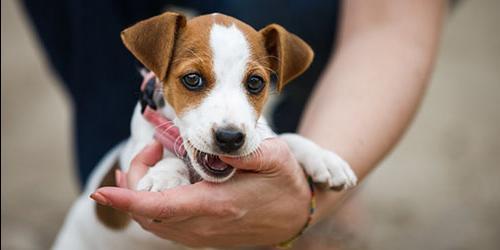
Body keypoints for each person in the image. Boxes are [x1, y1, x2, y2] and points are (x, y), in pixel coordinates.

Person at [23, 0, 446, 248]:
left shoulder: (243, 122)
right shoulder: (147, 123)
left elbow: (275, 146)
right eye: (194, 80)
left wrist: (306, 153)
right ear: (155, 69)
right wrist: (168, 169)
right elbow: (147, 169)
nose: (230, 123)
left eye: (253, 84)